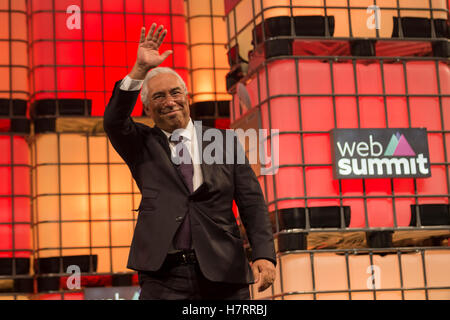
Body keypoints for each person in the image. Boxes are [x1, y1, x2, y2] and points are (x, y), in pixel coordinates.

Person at [103, 23, 276, 300]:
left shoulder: (224, 141)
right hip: (163, 276)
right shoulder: (140, 144)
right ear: (147, 108)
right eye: (159, 96)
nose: (169, 101)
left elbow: (252, 203)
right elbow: (113, 120)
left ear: (188, 98)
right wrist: (139, 70)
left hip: (225, 271)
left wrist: (264, 255)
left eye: (175, 93)